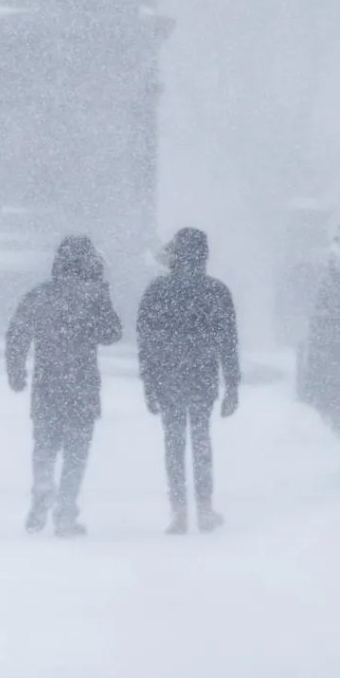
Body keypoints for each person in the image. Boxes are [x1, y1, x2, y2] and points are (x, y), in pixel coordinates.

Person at [5, 234, 123, 537]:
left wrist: (16, 370)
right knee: (76, 452)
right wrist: (102, 291)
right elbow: (112, 333)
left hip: (47, 383)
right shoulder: (92, 296)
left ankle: (42, 491)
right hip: (82, 384)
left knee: (44, 446)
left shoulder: (40, 295)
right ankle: (65, 511)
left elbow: (17, 334)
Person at [136, 227, 241, 534]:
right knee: (201, 440)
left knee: (173, 442)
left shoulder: (156, 291)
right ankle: (205, 509)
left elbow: (147, 342)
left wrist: (149, 381)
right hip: (202, 376)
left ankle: (179, 511)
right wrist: (232, 384)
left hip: (168, 377)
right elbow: (228, 342)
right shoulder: (217, 292)